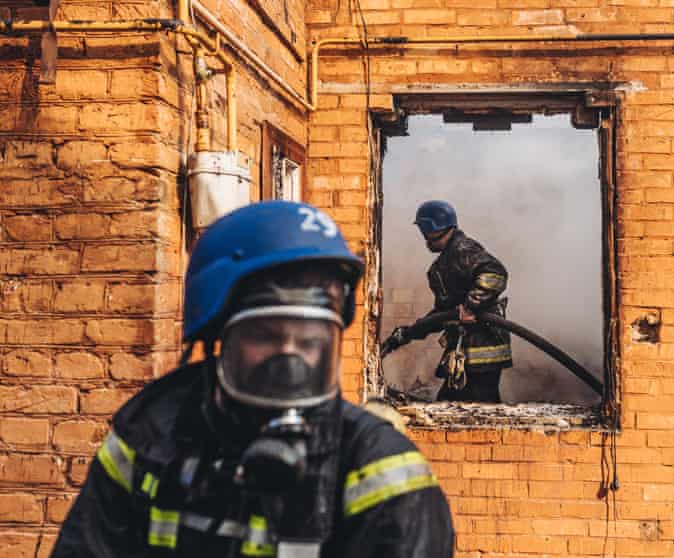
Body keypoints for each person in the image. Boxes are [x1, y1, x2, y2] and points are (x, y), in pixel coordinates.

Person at [51, 200, 454, 558]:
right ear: (218, 337)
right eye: (267, 336)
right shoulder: (150, 437)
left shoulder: (382, 472)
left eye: (312, 340)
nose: (292, 359)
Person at [389, 200, 512, 403]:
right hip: (466, 349)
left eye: (425, 231)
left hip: (482, 348)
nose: (424, 239)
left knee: (478, 409)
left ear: (433, 229)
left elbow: (495, 273)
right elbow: (443, 312)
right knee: (451, 404)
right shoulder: (446, 260)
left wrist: (472, 306)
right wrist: (410, 333)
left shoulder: (462, 250)